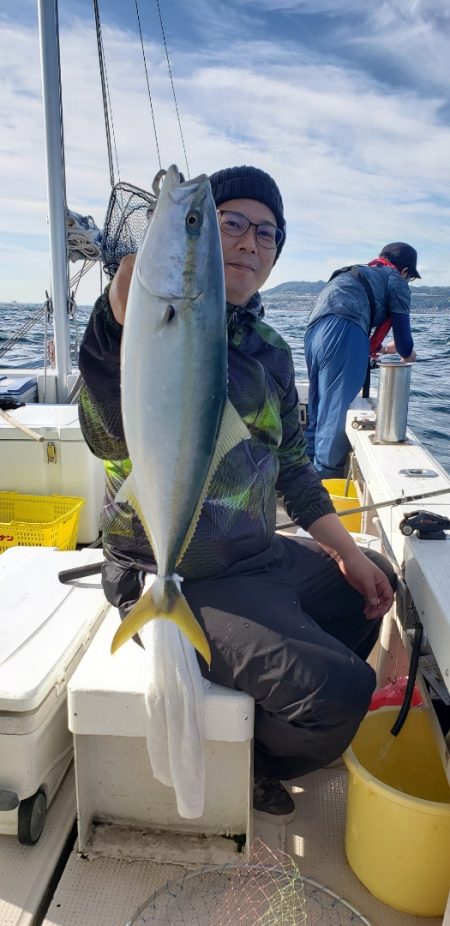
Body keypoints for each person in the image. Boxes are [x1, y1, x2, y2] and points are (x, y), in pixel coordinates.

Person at [78, 166, 396, 824]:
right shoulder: (139, 320)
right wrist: (113, 324)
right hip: (169, 567)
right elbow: (107, 435)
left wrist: (347, 555)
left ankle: (270, 711)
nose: (251, 241)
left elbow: (294, 469)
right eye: (229, 224)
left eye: (267, 233)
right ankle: (257, 764)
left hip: (254, 555)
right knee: (345, 691)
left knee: (372, 584)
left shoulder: (272, 352)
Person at [304, 243, 419, 478]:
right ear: (405, 271)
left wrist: (383, 349)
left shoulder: (358, 272)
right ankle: (324, 480)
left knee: (318, 405)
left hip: (313, 334)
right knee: (335, 411)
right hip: (345, 329)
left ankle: (304, 473)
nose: (407, 281)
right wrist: (409, 355)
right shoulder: (396, 280)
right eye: (410, 278)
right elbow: (405, 344)